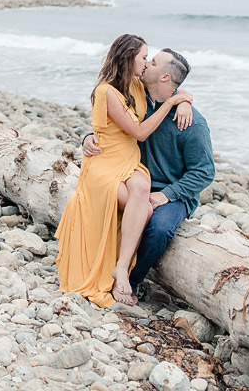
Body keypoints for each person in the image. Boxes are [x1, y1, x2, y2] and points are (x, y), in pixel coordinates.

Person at [55, 34, 193, 308]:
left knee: (142, 192)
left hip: (129, 160)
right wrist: (87, 138)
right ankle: (123, 269)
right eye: (144, 57)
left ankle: (120, 269)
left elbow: (170, 85)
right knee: (143, 208)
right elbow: (140, 132)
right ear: (128, 58)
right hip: (105, 163)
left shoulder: (136, 84)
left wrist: (185, 101)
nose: (147, 63)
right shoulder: (106, 91)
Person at [81, 47, 215, 302]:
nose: (145, 64)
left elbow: (205, 172)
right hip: (134, 177)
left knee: (159, 227)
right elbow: (111, 125)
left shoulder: (192, 124)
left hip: (174, 191)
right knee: (102, 200)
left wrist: (167, 194)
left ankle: (132, 281)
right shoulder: (138, 99)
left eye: (152, 62)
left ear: (164, 77)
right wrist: (88, 138)